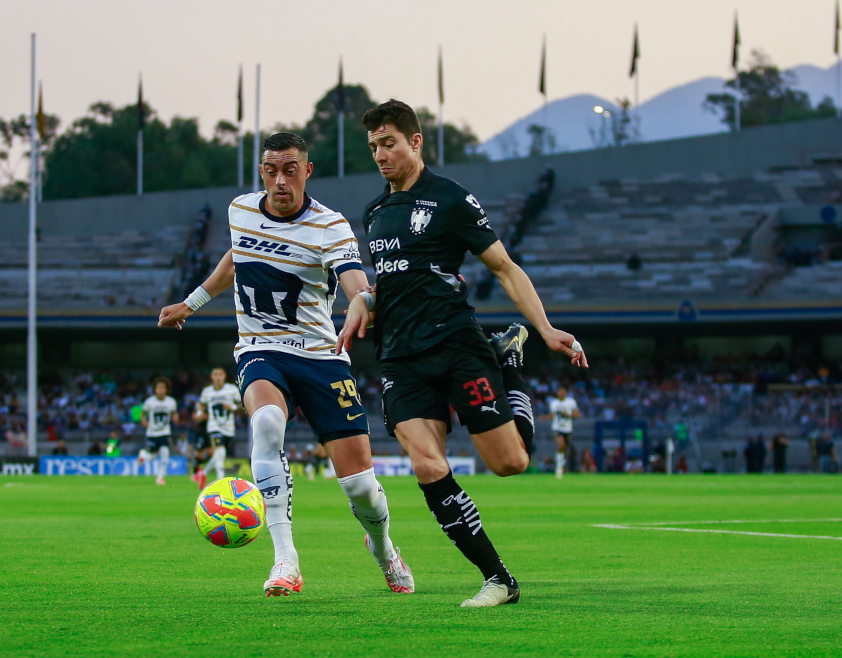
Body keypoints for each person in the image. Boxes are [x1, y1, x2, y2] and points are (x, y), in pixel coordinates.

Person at [337, 100, 587, 607]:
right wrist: (364, 300)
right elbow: (392, 282)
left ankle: (509, 361)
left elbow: (504, 267)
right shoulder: (376, 211)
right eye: (373, 147)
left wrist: (543, 327)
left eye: (388, 143)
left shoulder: (451, 199)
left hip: (454, 343)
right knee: (427, 466)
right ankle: (499, 579)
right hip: (401, 358)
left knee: (511, 463)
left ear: (415, 141)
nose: (380, 155)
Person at [158, 132, 413, 598]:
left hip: (321, 355)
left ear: (307, 171)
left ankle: (383, 546)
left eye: (290, 170)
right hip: (260, 348)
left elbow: (354, 279)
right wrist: (192, 303)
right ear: (262, 171)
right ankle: (285, 560)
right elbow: (237, 258)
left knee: (359, 486)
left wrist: (364, 300)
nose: (279, 180)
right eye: (271, 170)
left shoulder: (329, 225)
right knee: (268, 424)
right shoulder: (241, 210)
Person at [192, 367, 242, 488]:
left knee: (220, 454)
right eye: (215, 374)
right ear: (212, 377)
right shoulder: (207, 391)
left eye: (220, 374)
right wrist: (199, 412)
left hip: (229, 428)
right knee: (220, 451)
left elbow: (242, 403)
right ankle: (221, 482)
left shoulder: (231, 389)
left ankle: (203, 473)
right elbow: (201, 404)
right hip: (214, 427)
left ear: (224, 376)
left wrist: (234, 408)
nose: (218, 377)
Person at [139, 377, 179, 486]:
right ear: (155, 389)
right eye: (158, 388)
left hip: (165, 432)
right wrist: (144, 421)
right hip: (152, 433)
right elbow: (143, 413)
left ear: (166, 389)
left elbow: (174, 413)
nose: (161, 390)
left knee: (165, 454)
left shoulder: (171, 401)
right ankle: (142, 454)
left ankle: (160, 478)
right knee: (152, 457)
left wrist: (176, 417)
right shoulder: (149, 402)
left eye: (163, 388)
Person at [548, 387, 580, 479]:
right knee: (561, 445)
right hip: (557, 428)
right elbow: (551, 416)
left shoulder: (571, 402)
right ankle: (558, 468)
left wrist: (568, 414)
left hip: (568, 429)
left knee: (565, 449)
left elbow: (577, 414)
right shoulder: (554, 403)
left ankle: (561, 466)